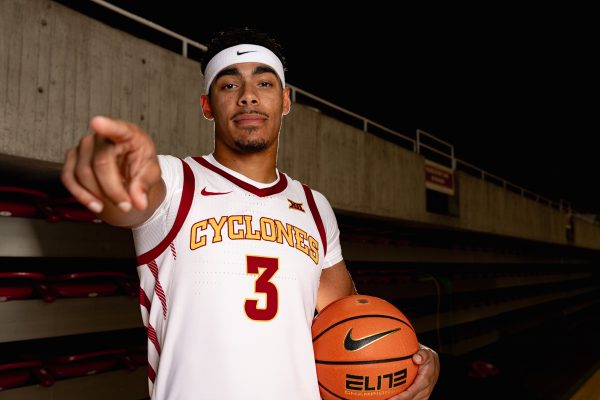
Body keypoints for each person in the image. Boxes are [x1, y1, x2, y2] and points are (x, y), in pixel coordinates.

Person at [61, 27, 439, 400]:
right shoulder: (176, 181)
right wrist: (113, 170)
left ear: (286, 100)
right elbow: (133, 197)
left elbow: (349, 318)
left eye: (264, 84)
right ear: (207, 106)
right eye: (229, 85)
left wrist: (416, 357)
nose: (247, 97)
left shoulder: (314, 205)